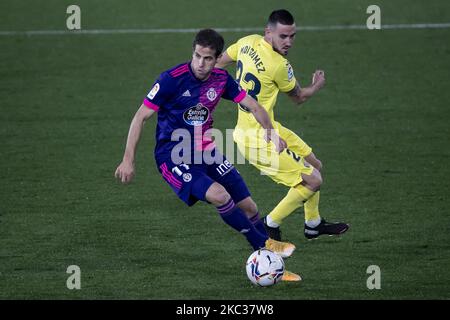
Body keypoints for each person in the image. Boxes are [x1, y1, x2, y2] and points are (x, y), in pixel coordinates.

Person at [115, 29, 301, 281]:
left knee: (249, 206)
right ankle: (264, 244)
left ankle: (273, 266)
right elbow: (140, 117)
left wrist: (271, 132)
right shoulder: (171, 79)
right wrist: (128, 159)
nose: (201, 64)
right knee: (220, 195)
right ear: (193, 52)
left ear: (217, 59)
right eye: (197, 56)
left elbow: (254, 105)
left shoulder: (221, 80)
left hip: (206, 151)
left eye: (208, 59)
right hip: (174, 156)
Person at [215, 10, 349, 241]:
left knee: (314, 163)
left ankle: (313, 223)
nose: (288, 42)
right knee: (313, 179)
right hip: (257, 140)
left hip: (267, 127)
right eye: (283, 36)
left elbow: (218, 63)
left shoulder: (247, 42)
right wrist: (316, 86)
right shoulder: (279, 65)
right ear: (269, 32)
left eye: (292, 36)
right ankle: (271, 222)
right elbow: (299, 98)